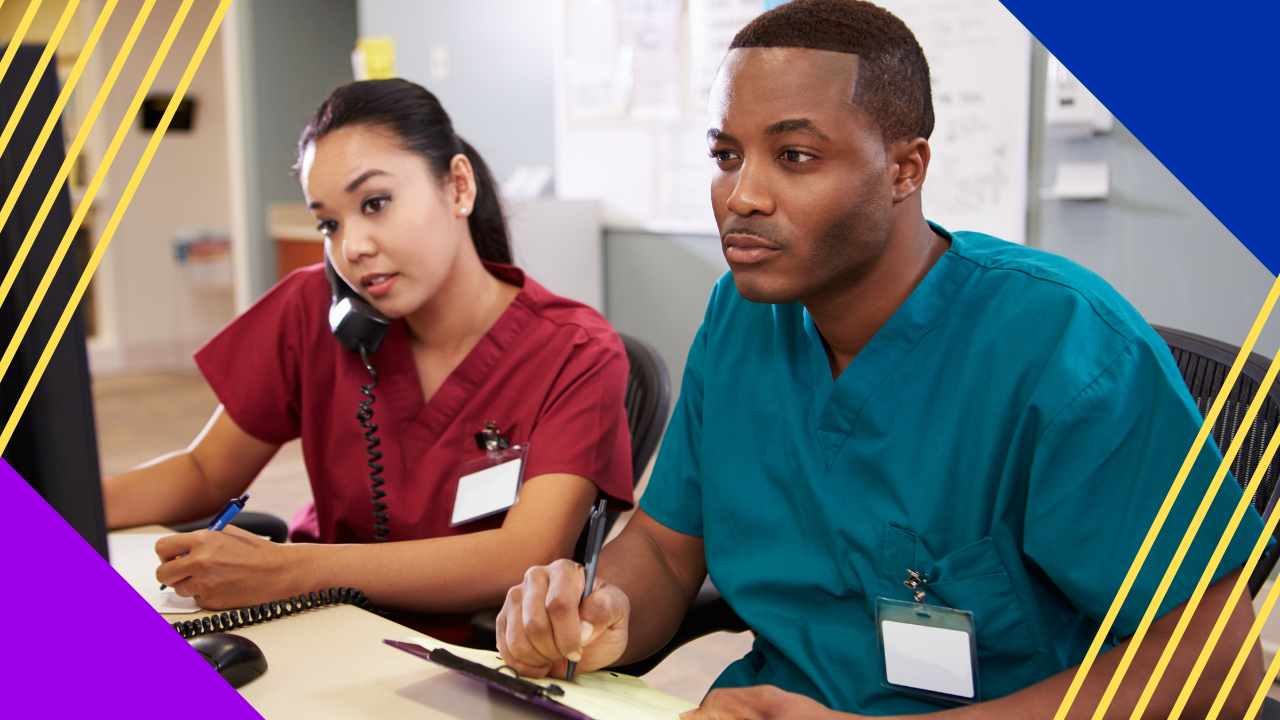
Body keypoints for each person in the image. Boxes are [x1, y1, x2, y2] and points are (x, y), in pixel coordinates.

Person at [495, 0, 1267, 716]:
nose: (742, 194)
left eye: (795, 155)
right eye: (727, 154)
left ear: (906, 169)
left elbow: (1216, 665)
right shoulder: (741, 317)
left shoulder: (1063, 347)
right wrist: (600, 613)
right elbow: (665, 550)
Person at [102, 79, 634, 645]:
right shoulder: (315, 307)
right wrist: (42, 500)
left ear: (457, 187)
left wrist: (292, 571)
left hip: (470, 660)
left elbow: (522, 556)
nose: (351, 246)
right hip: (317, 630)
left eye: (374, 204)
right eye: (328, 223)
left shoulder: (574, 350)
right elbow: (206, 472)